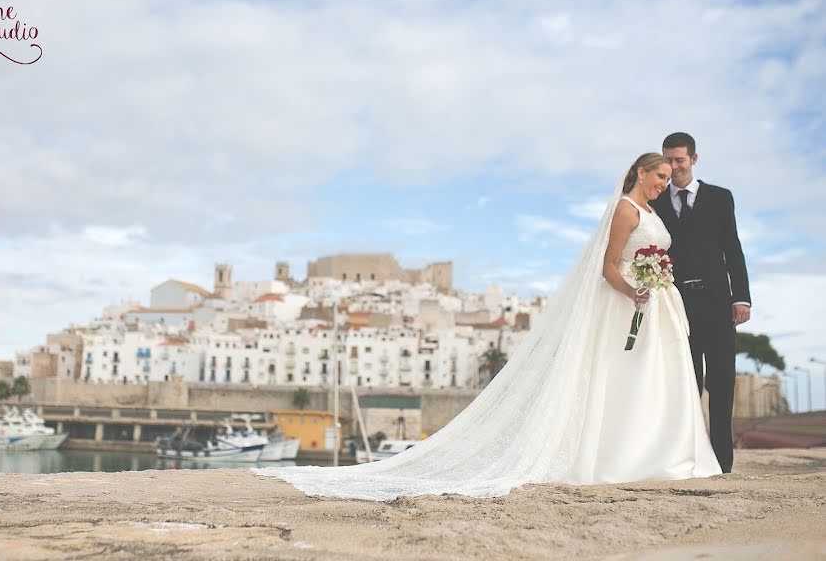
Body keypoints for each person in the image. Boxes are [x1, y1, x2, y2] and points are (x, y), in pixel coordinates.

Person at [255, 154, 721, 501]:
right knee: (624, 380)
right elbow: (606, 265)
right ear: (640, 172)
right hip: (627, 303)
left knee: (655, 380)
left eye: (668, 178)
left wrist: (656, 283)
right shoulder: (624, 209)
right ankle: (630, 454)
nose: (664, 184)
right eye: (659, 176)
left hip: (656, 306)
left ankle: (664, 452)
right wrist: (635, 290)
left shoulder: (655, 214)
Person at [651, 132, 751, 473]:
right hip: (677, 306)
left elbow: (732, 248)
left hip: (718, 303)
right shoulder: (657, 202)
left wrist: (742, 298)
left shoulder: (721, 198)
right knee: (687, 383)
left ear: (694, 159)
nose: (674, 166)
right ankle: (692, 460)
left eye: (680, 159)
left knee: (721, 384)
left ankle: (723, 464)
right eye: (669, 160)